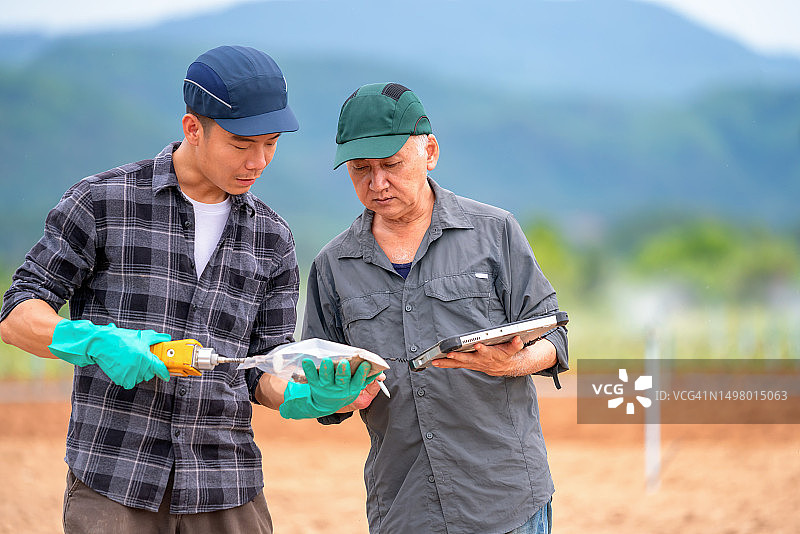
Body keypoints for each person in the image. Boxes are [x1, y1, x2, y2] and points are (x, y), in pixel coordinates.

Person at [0, 45, 373, 534]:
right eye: (242, 144)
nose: (258, 161)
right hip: (115, 483)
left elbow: (259, 371)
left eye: (271, 143)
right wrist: (97, 343)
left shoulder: (272, 239)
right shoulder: (101, 203)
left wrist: (311, 397)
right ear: (193, 128)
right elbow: (16, 316)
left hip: (227, 489)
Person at [302, 82, 569, 534]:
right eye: (360, 169)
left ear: (430, 152)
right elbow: (324, 395)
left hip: (505, 501)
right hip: (404, 508)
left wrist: (513, 363)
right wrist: (334, 394)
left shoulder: (494, 232)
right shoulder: (332, 266)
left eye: (391, 164)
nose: (377, 183)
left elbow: (555, 337)